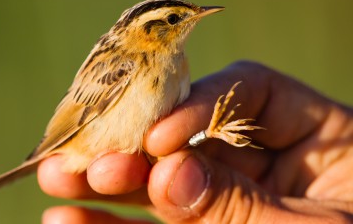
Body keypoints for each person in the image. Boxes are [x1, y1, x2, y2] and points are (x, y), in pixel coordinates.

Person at [37, 61, 353, 223]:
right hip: (85, 140)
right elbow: (77, 113)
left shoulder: (175, 67)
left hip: (144, 157)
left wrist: (210, 133)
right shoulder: (125, 66)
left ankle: (210, 134)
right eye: (174, 20)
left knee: (166, 156)